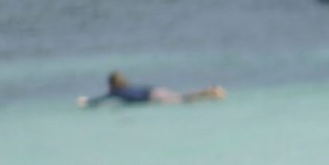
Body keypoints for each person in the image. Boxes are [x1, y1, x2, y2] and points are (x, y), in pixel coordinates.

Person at [76, 70, 226, 107]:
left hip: (153, 96)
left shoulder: (117, 91)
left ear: (111, 83)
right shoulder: (125, 87)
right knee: (182, 97)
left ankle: (209, 91)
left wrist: (87, 102)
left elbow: (101, 100)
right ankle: (209, 92)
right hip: (155, 91)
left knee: (183, 99)